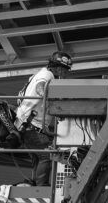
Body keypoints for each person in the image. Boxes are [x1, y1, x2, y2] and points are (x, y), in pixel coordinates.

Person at [14, 51, 73, 185]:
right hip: (31, 126)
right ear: (58, 67)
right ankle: (41, 187)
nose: (66, 72)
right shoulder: (47, 75)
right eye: (65, 69)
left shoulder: (42, 73)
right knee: (46, 156)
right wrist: (52, 100)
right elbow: (41, 87)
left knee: (38, 157)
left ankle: (35, 184)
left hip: (26, 125)